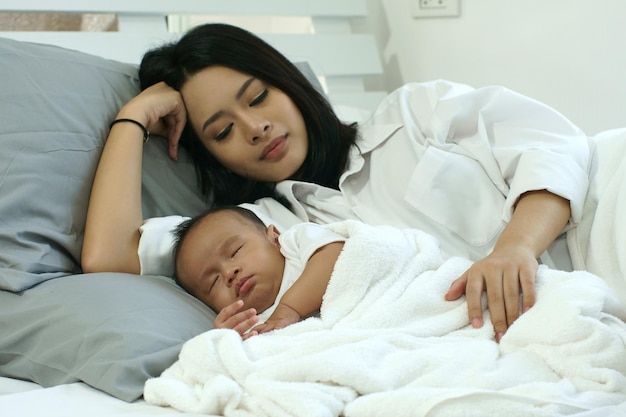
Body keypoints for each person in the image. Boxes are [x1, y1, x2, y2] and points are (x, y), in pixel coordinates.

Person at [81, 22, 596, 342]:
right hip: (557, 314)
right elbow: (107, 256)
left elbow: (554, 145)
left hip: (603, 211)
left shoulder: (412, 112)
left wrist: (514, 248)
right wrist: (134, 117)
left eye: (258, 98)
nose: (255, 127)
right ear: (215, 158)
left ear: (287, 82)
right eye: (222, 131)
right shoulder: (273, 232)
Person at [171, 205, 345, 338]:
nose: (229, 273)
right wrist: (225, 338)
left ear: (274, 237)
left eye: (235, 251)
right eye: (213, 281)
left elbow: (337, 255)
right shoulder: (251, 325)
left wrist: (289, 309)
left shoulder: (296, 246)